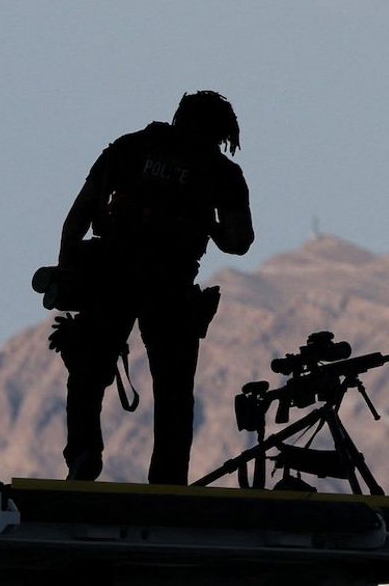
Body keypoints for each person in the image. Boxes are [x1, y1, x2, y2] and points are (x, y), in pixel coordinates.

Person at [54, 90, 254, 484]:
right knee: (175, 390)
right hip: (171, 285)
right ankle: (168, 482)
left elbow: (77, 216)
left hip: (112, 275)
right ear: (221, 132)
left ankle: (83, 453)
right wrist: (204, 222)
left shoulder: (129, 148)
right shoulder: (221, 172)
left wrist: (67, 273)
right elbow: (239, 241)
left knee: (88, 371)